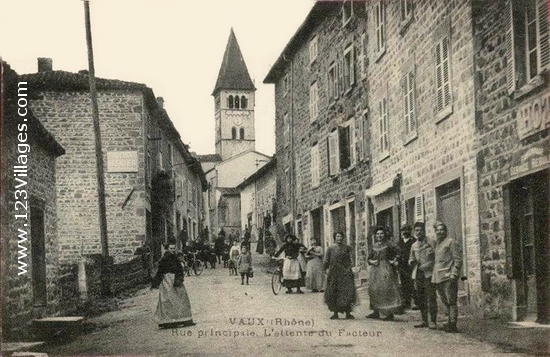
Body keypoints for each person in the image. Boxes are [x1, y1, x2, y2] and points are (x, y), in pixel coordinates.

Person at [151, 244, 195, 329]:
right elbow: (160, 272)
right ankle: (168, 321)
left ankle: (183, 318)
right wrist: (155, 283)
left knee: (181, 298)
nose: (172, 250)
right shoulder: (163, 260)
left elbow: (180, 270)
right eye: (171, 248)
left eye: (174, 248)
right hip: (167, 281)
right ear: (167, 249)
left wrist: (180, 279)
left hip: (176, 280)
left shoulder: (176, 259)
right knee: (167, 300)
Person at [366, 226, 402, 321]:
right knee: (374, 289)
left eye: (381, 233)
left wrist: (394, 260)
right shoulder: (374, 245)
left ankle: (389, 313)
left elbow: (399, 251)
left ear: (384, 234)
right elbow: (369, 258)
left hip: (386, 268)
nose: (379, 235)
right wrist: (372, 262)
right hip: (375, 270)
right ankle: (376, 311)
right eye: (378, 234)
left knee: (386, 289)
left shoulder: (389, 244)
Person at [432, 222, 462, 333]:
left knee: (451, 301)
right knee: (444, 300)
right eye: (438, 230)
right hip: (438, 277)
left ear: (446, 231)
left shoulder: (451, 242)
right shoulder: (437, 244)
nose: (440, 232)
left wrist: (454, 273)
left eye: (442, 230)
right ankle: (449, 321)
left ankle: (453, 324)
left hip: (448, 276)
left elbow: (457, 259)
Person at [409, 222, 437, 329]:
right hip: (418, 274)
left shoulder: (431, 242)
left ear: (424, 231)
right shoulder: (414, 245)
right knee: (421, 298)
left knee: (431, 297)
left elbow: (436, 258)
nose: (418, 232)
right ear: (414, 232)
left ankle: (433, 321)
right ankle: (424, 320)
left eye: (420, 230)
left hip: (429, 273)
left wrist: (427, 265)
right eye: (416, 230)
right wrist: (411, 262)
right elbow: (410, 258)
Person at [324, 232, 357, 319]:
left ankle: (348, 313)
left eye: (341, 236)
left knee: (346, 292)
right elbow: (327, 260)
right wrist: (326, 269)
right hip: (334, 273)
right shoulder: (330, 248)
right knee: (334, 292)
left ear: (343, 238)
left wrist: (351, 268)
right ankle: (335, 313)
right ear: (334, 237)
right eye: (337, 236)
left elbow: (351, 260)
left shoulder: (347, 248)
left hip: (345, 272)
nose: (339, 238)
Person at [397, 224, 417, 310]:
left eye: (407, 230)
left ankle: (416, 302)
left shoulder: (414, 241)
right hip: (402, 266)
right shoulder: (400, 242)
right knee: (404, 284)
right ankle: (406, 302)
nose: (405, 232)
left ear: (410, 231)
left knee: (412, 284)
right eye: (403, 230)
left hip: (411, 266)